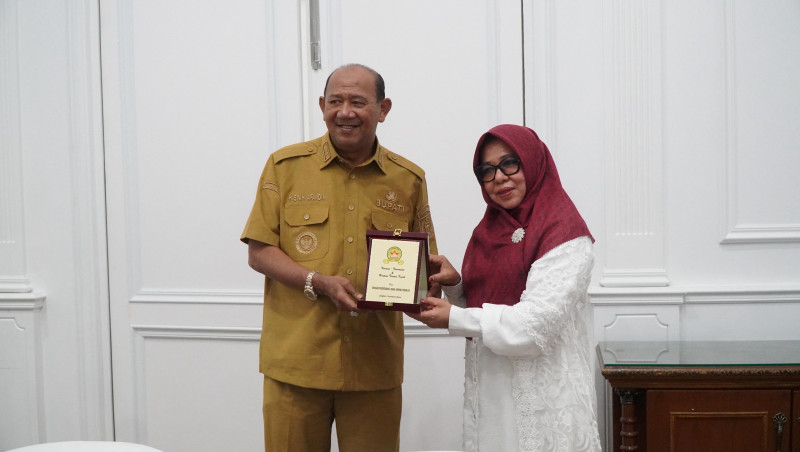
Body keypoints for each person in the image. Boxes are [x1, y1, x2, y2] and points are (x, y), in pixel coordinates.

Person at [241, 63, 437, 452]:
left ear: (383, 109)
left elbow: (423, 266)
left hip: (373, 369)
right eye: (335, 101)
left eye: (358, 102)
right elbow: (260, 251)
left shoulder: (408, 179)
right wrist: (318, 282)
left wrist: (436, 282)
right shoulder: (285, 167)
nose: (345, 111)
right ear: (322, 105)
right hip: (296, 365)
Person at [409, 124, 601, 452]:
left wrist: (454, 319)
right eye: (487, 170)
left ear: (532, 162)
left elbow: (535, 324)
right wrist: (455, 286)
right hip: (491, 388)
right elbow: (485, 302)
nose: (499, 177)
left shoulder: (565, 233)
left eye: (510, 163)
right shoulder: (488, 230)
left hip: (540, 396)